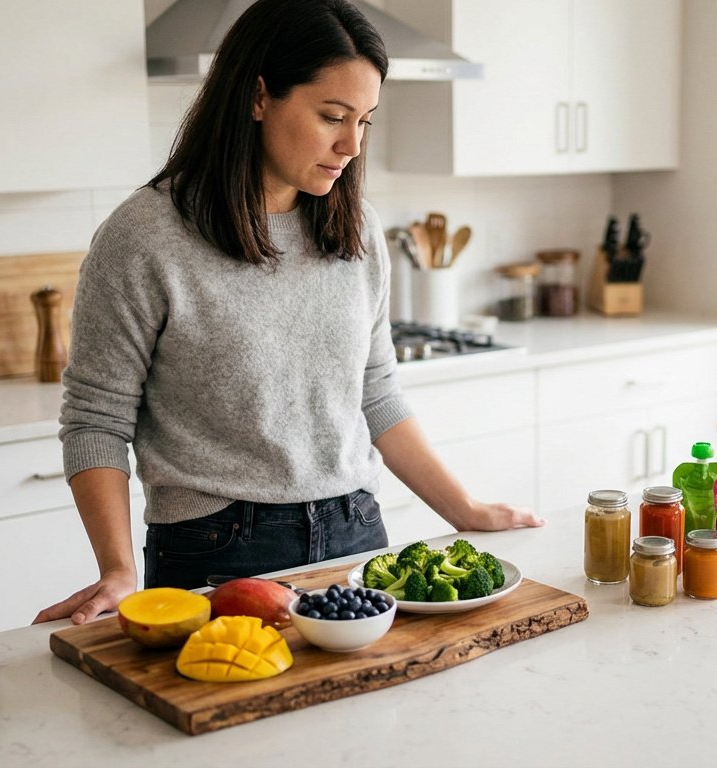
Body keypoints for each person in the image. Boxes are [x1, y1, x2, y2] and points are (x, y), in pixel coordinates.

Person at [34, 0, 542, 626]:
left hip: (357, 532)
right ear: (258, 97)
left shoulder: (357, 229)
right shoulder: (144, 236)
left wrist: (464, 508)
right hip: (218, 551)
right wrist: (117, 570)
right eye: (332, 116)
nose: (352, 145)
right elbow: (96, 419)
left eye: (365, 121)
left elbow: (374, 391)